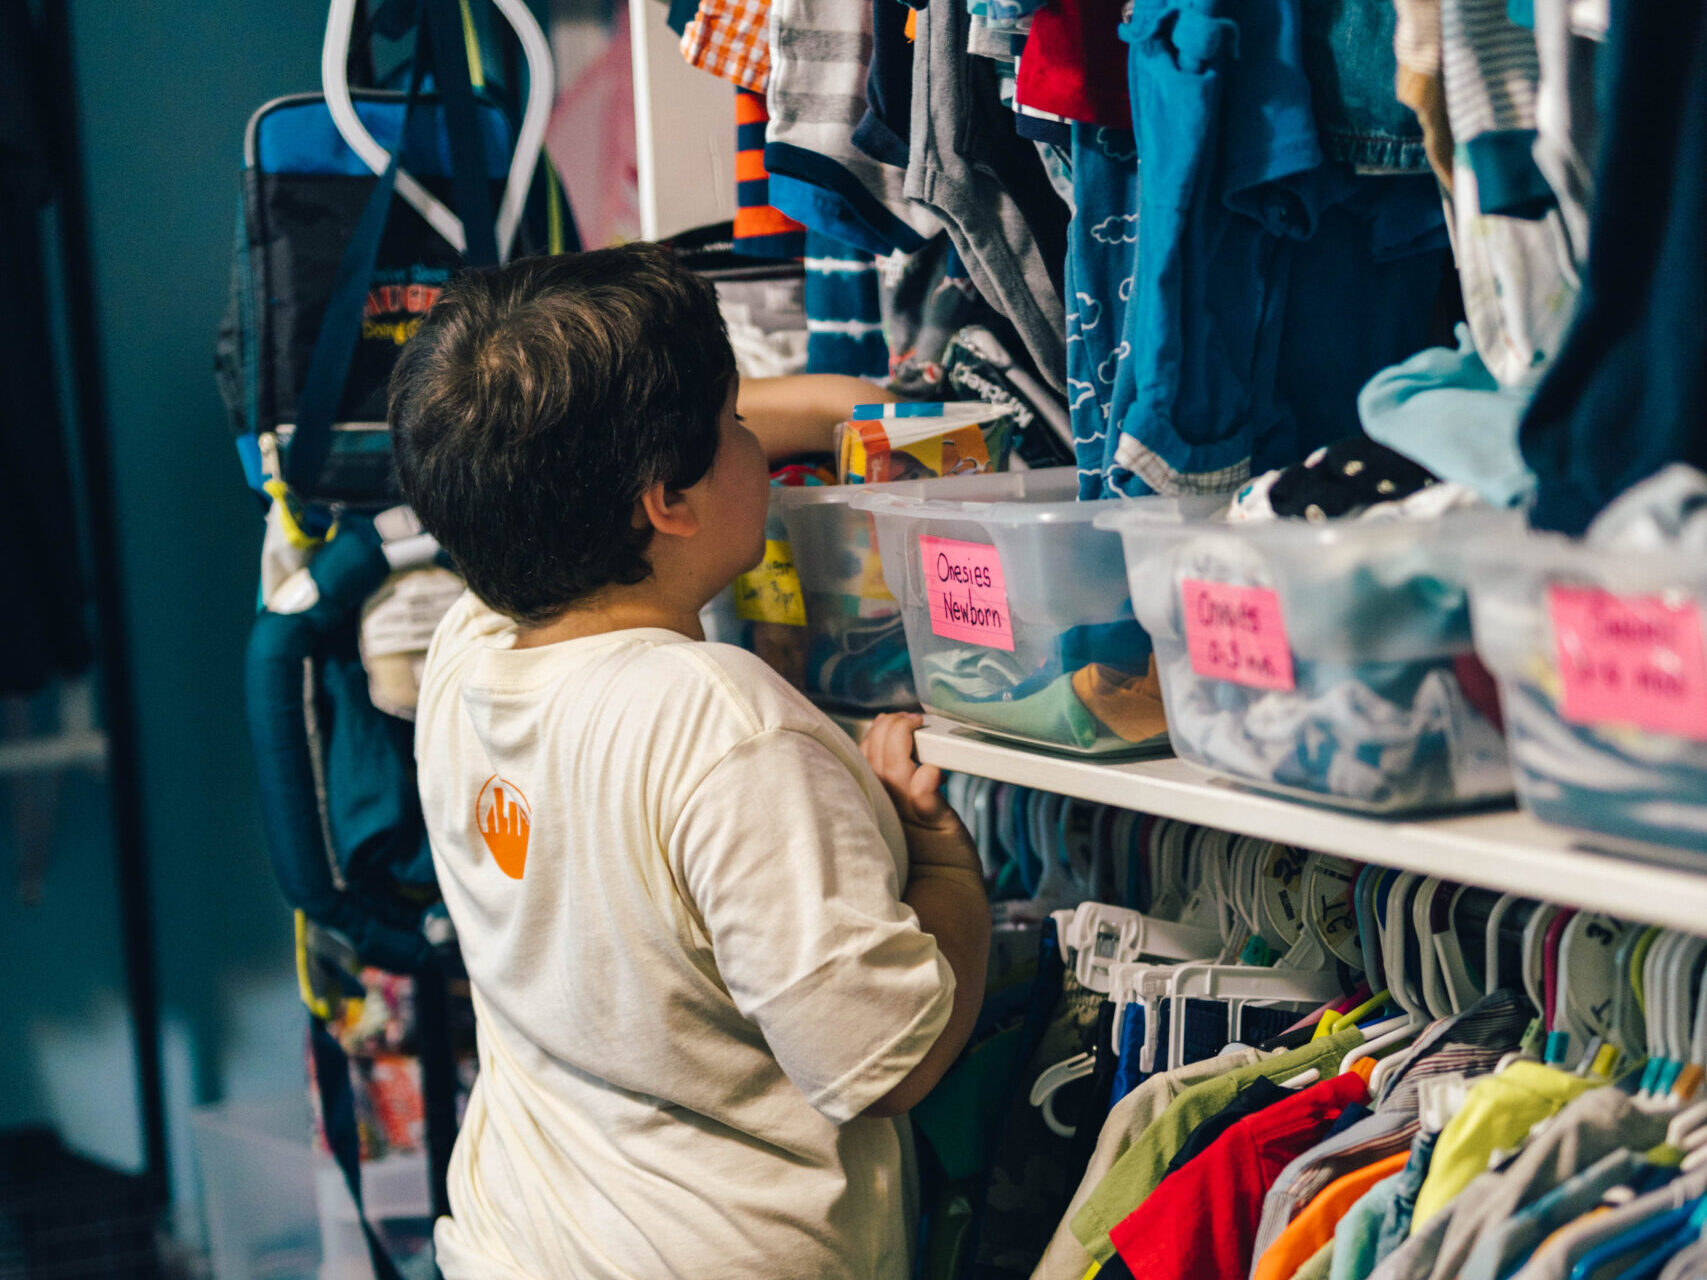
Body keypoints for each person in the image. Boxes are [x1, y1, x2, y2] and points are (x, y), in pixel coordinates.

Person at [390, 242, 991, 1279]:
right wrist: (941, 860)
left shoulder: (469, 650)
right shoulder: (723, 724)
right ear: (664, 497)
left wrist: (853, 407)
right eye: (737, 423)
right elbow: (887, 1064)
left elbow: (548, 445)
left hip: (511, 1247)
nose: (756, 436)